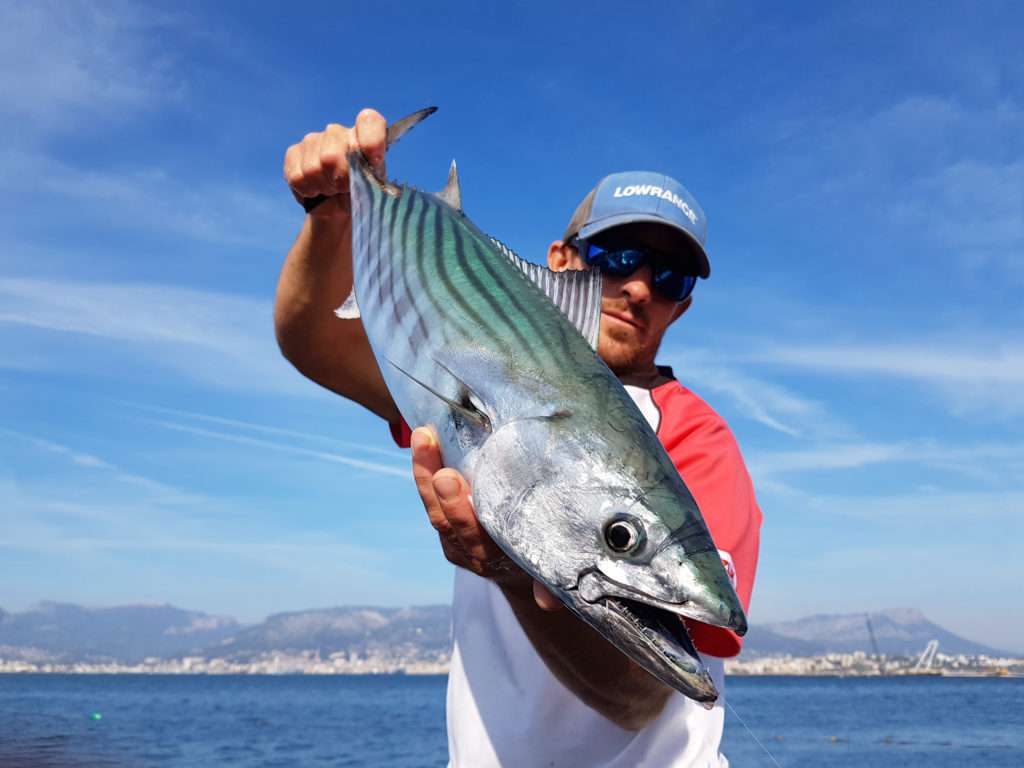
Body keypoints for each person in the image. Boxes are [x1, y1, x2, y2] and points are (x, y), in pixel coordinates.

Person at [276, 108, 762, 767]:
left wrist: (510, 570)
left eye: (670, 275)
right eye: (617, 256)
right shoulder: (469, 351)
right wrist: (332, 210)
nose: (640, 286)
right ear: (561, 259)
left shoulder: (701, 440)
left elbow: (639, 700)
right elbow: (314, 344)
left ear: (685, 305)